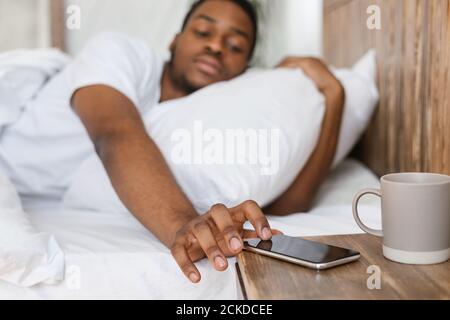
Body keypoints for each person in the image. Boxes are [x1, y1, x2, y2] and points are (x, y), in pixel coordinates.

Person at [0, 0, 344, 283]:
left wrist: (334, 96)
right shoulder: (120, 54)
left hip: (48, 200)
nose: (215, 46)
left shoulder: (206, 116)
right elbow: (114, 133)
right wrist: (182, 224)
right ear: (174, 41)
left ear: (244, 71)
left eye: (235, 45)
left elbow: (284, 206)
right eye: (203, 31)